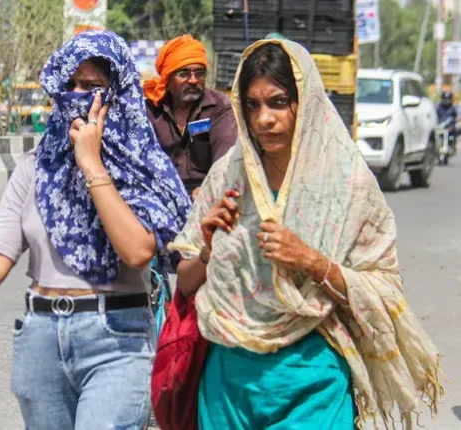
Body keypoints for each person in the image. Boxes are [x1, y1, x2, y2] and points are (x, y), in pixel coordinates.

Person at [171, 39, 442, 429]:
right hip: (228, 387)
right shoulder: (228, 176)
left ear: (307, 101)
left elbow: (384, 286)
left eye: (278, 102)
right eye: (252, 105)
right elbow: (185, 283)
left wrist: (311, 261)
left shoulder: (346, 183)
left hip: (313, 386)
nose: (264, 119)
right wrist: (208, 251)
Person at [0, 30, 191, 430]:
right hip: (41, 339)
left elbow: (137, 251)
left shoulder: (141, 169)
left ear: (117, 93)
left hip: (117, 340)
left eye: (91, 86)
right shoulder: (37, 166)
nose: (77, 96)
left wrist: (92, 164)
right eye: (70, 85)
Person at [144, 35, 238, 199]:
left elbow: (226, 160)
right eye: (184, 73)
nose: (193, 80)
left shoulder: (218, 107)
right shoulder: (150, 110)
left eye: (199, 73)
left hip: (206, 194)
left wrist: (208, 189)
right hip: (158, 195)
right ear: (168, 78)